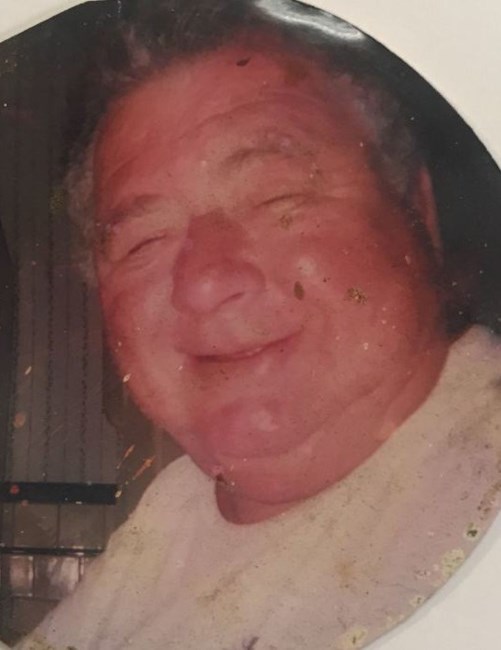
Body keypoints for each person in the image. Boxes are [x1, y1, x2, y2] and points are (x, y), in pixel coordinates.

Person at [14, 1, 501, 648]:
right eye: (144, 241)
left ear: (417, 211)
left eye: (278, 197)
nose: (204, 281)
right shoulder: (172, 518)